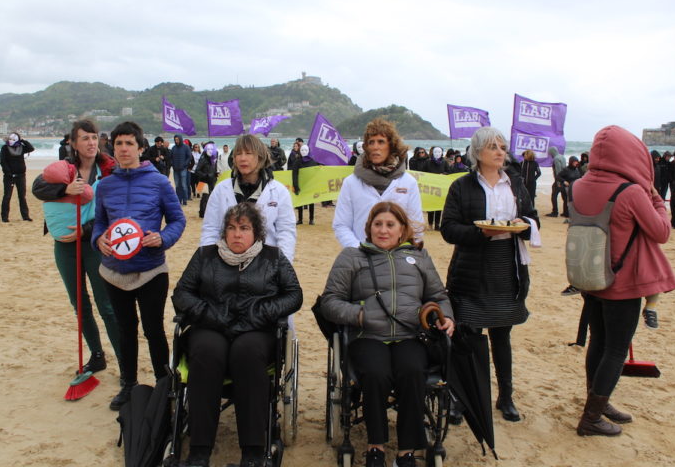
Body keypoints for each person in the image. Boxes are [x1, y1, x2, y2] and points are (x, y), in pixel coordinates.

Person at [320, 201, 455, 467]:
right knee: (375, 373)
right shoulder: (352, 257)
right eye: (377, 224)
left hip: (410, 335)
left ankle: (407, 451)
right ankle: (376, 447)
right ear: (368, 228)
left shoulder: (419, 257)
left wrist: (447, 316)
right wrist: (359, 315)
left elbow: (438, 296)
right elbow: (330, 302)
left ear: (402, 229)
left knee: (413, 371)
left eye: (390, 225)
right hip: (367, 336)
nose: (383, 230)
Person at [172, 202, 303, 467]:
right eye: (231, 228)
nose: (236, 234)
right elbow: (182, 293)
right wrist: (209, 314)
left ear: (256, 232)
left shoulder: (273, 258)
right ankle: (199, 450)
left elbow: (294, 295)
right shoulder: (205, 256)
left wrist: (261, 311)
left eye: (244, 228)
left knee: (247, 353)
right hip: (211, 325)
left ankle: (253, 452)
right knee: (207, 353)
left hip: (255, 329)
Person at [569, 125, 675, 436]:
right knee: (616, 349)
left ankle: (598, 404)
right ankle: (590, 418)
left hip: (590, 276)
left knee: (598, 342)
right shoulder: (630, 192)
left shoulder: (578, 185)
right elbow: (662, 232)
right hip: (623, 282)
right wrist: (656, 199)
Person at [440, 126, 540, 423]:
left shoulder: (516, 185)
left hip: (507, 266)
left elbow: (532, 219)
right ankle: (464, 398)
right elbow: (448, 229)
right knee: (468, 336)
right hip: (471, 268)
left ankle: (506, 397)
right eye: (493, 147)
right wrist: (480, 232)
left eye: (502, 146)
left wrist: (524, 224)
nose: (500, 151)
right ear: (478, 152)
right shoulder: (462, 186)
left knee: (502, 334)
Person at [92, 121, 187, 410]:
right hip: (114, 272)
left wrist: (162, 238)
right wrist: (99, 240)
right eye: (118, 143)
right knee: (125, 329)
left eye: (129, 143)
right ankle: (128, 385)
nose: (123, 149)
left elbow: (177, 220)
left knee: (153, 328)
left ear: (140, 148)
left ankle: (162, 383)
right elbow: (99, 224)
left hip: (151, 271)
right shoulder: (105, 185)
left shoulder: (158, 181)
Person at [32, 119, 121, 377]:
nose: (91, 143)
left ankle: (124, 361)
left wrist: (87, 230)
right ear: (73, 143)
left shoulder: (109, 170)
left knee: (106, 305)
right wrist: (64, 189)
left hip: (96, 244)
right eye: (85, 138)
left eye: (94, 137)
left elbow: (114, 211)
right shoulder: (64, 168)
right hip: (66, 248)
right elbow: (38, 188)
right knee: (79, 304)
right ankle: (96, 355)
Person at [200, 134, 296, 261]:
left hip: (266, 263)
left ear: (260, 157)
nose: (243, 158)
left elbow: (286, 232)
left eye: (249, 153)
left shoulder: (279, 191)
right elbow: (211, 228)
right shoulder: (221, 189)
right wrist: (207, 260)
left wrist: (283, 264)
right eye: (238, 154)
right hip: (226, 261)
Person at [333, 118, 423, 248]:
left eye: (381, 142)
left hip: (397, 259)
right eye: (371, 142)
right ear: (366, 147)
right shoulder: (351, 182)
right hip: (361, 258)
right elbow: (341, 225)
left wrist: (402, 253)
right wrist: (361, 250)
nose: (375, 147)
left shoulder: (408, 182)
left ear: (391, 145)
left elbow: (416, 225)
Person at [0, 132, 35, 222]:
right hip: (9, 177)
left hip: (21, 176)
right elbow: (3, 161)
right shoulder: (4, 148)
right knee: (7, 196)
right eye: (10, 139)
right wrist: (8, 173)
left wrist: (23, 140)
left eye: (14, 139)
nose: (11, 141)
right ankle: (4, 217)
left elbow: (31, 148)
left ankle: (25, 216)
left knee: (22, 196)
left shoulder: (22, 147)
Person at [293, 144, 318, 225]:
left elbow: (316, 173)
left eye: (305, 150)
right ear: (300, 151)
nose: (304, 152)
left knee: (311, 202)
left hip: (310, 185)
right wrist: (296, 185)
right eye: (302, 150)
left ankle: (311, 219)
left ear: (308, 151)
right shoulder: (297, 161)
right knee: (300, 202)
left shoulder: (313, 161)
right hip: (301, 185)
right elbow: (295, 174)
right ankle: (300, 219)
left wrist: (320, 168)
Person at [425, 147, 447, 230]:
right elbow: (423, 172)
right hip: (430, 187)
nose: (437, 153)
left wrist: (443, 174)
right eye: (435, 152)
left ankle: (437, 225)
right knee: (431, 207)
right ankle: (430, 224)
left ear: (442, 153)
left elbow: (448, 172)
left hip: (440, 187)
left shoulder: (444, 162)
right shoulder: (428, 162)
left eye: (439, 152)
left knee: (438, 206)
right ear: (432, 153)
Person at [196, 142, 219, 218]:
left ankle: (207, 212)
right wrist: (206, 175)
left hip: (212, 180)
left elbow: (214, 168)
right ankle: (202, 213)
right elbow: (197, 170)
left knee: (211, 197)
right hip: (203, 180)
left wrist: (216, 173)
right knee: (205, 197)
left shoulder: (213, 158)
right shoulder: (203, 158)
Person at [546, 146, 568, 217]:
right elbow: (565, 168)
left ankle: (555, 212)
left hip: (559, 180)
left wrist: (558, 182)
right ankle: (566, 212)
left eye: (550, 153)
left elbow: (558, 170)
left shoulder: (556, 159)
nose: (550, 155)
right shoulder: (562, 157)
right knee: (564, 196)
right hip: (564, 179)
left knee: (554, 196)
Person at [171, 134, 192, 206]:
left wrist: (184, 165)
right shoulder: (173, 148)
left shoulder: (186, 147)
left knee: (183, 185)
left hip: (183, 169)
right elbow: (171, 158)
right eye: (175, 140)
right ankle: (178, 200)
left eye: (177, 139)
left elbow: (189, 157)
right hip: (175, 169)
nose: (176, 141)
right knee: (177, 185)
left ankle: (185, 200)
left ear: (180, 139)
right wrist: (172, 164)